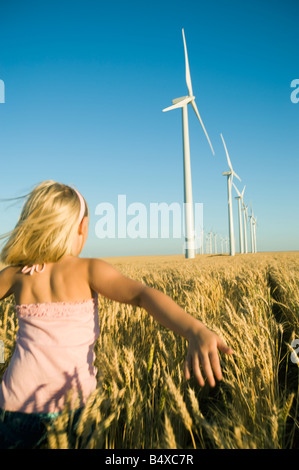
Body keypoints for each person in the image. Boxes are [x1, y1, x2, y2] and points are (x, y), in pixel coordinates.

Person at [0, 180, 233, 448]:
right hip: (75, 409)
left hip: (14, 406)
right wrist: (195, 329)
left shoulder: (17, 274)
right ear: (81, 228)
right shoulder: (88, 269)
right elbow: (142, 295)